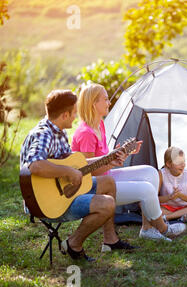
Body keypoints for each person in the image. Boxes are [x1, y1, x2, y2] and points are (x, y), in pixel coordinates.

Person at [20, 89, 135, 262]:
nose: (76, 117)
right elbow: (35, 165)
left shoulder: (59, 132)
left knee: (108, 182)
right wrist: (67, 171)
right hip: (46, 203)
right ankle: (74, 243)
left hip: (63, 190)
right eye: (74, 113)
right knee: (107, 204)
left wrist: (109, 160)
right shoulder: (43, 134)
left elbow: (77, 166)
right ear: (65, 115)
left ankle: (110, 240)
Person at [71, 83, 186, 242]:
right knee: (146, 190)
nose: (109, 102)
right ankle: (163, 228)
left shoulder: (100, 125)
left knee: (151, 172)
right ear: (93, 104)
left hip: (107, 176)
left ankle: (147, 229)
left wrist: (119, 155)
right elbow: (88, 171)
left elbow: (103, 160)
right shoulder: (86, 134)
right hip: (95, 187)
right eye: (105, 99)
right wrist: (112, 162)